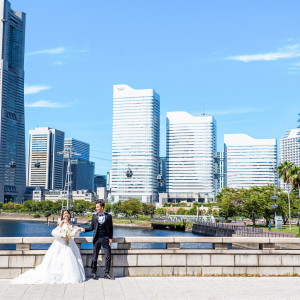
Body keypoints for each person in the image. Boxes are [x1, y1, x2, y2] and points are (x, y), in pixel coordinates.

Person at [11, 209, 85, 284]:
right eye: (65, 213)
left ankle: (68, 275)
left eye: (68, 213)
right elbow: (55, 232)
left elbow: (73, 233)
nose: (66, 215)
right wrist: (63, 236)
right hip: (61, 243)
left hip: (69, 243)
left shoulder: (71, 223)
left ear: (69, 215)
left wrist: (77, 230)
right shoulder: (62, 222)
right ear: (62, 215)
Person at [82, 200, 114, 280]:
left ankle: (106, 273)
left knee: (108, 256)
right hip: (97, 239)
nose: (96, 208)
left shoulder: (109, 216)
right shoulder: (94, 217)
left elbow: (111, 228)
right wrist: (84, 230)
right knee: (94, 257)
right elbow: (92, 228)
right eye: (96, 207)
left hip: (105, 238)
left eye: (97, 207)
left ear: (102, 207)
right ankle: (94, 273)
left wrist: (110, 238)